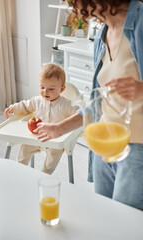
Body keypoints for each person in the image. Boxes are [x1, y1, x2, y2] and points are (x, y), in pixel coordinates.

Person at [35, 0, 143, 210]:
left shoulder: (140, 23)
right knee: (104, 213)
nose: (76, 9)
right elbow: (99, 102)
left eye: (77, 2)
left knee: (126, 222)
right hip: (104, 142)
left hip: (137, 148)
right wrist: (59, 128)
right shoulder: (103, 35)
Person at [4, 64, 78, 174]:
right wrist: (13, 108)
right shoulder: (37, 101)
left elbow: (78, 114)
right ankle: (19, 169)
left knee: (54, 154)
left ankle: (44, 174)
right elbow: (25, 106)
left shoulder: (66, 104)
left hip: (55, 138)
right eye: (42, 87)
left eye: (51, 89)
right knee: (25, 147)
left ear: (62, 88)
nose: (45, 91)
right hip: (37, 136)